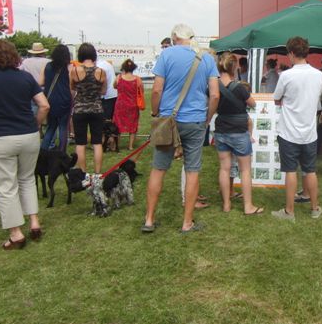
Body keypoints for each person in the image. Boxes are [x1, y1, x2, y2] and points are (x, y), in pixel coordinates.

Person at [142, 24, 219, 234]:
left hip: (169, 120)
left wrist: (155, 113)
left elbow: (156, 90)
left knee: (158, 169)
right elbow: (214, 95)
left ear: (174, 37)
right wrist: (207, 118)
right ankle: (187, 223)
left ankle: (149, 219)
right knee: (192, 170)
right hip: (196, 120)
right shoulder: (206, 58)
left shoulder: (166, 55)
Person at [0, 38, 49, 249]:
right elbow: (44, 105)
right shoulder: (25, 77)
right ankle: (34, 222)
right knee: (27, 179)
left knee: (6, 186)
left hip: (0, 137)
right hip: (29, 135)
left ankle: (16, 233)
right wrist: (35, 125)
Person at [271, 36, 322, 221]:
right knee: (310, 170)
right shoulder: (318, 74)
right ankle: (315, 208)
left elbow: (276, 98)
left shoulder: (286, 75)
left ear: (292, 53)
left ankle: (289, 211)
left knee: (291, 171)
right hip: (309, 132)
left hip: (289, 132)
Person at [214, 52, 263, 215]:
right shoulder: (239, 87)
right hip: (240, 132)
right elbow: (253, 104)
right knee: (245, 170)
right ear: (234, 67)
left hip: (221, 130)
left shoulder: (213, 86)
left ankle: (226, 204)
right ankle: (248, 206)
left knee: (224, 168)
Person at [70, 43, 107, 175]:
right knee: (97, 143)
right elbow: (103, 91)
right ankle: (97, 173)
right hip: (97, 109)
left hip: (80, 110)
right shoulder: (101, 72)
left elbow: (72, 87)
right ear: (93, 55)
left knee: (80, 144)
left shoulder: (75, 71)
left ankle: (83, 173)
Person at [39, 44, 72, 151]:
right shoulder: (69, 67)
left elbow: (40, 82)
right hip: (65, 99)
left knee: (51, 127)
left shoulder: (47, 66)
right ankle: (61, 153)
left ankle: (43, 151)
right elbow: (71, 86)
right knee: (63, 127)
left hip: (50, 99)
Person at [113, 59, 144, 151]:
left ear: (124, 68)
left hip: (120, 105)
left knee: (118, 125)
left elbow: (114, 86)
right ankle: (130, 146)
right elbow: (141, 91)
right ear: (133, 68)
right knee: (133, 125)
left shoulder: (119, 77)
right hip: (133, 105)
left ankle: (116, 145)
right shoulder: (137, 79)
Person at [20, 42, 49, 115]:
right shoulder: (48, 62)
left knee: (32, 108)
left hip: (29, 89)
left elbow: (19, 71)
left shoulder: (26, 62)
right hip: (45, 89)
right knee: (45, 108)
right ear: (43, 52)